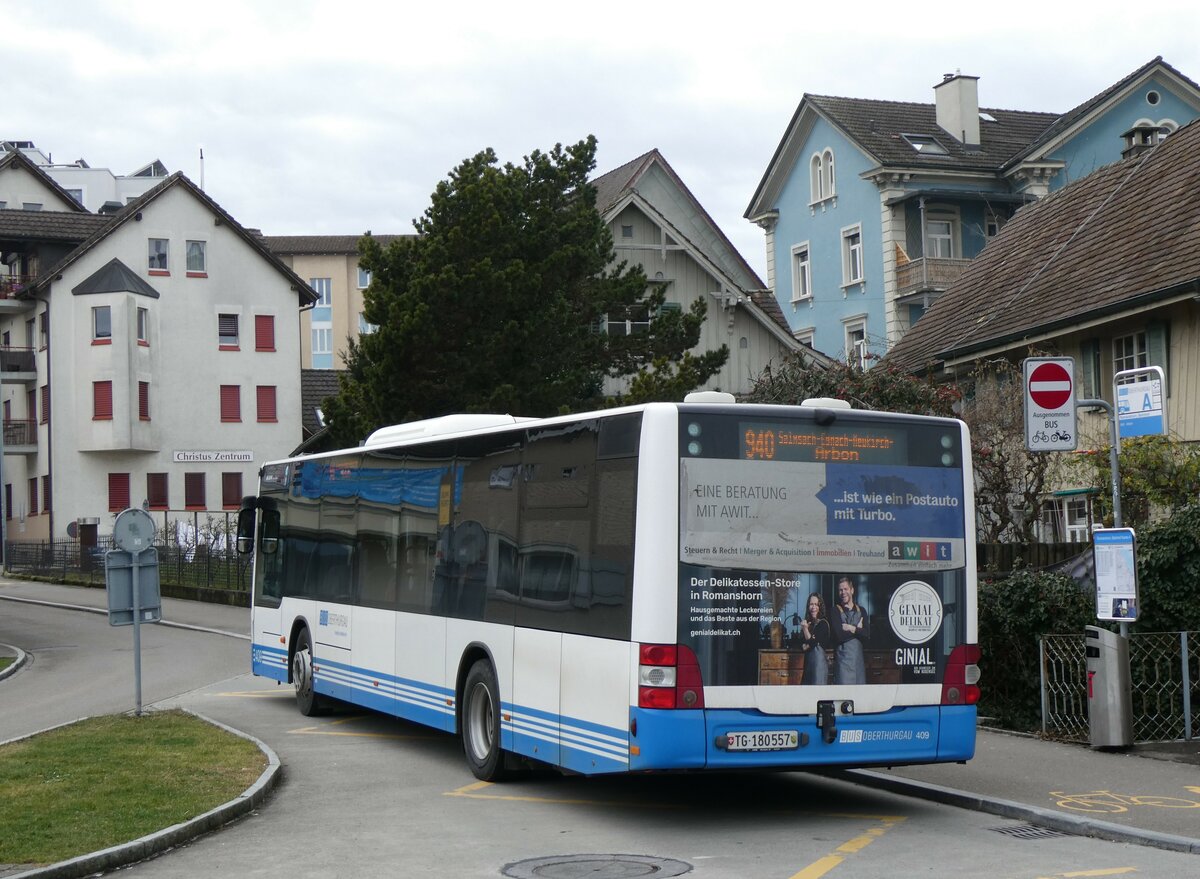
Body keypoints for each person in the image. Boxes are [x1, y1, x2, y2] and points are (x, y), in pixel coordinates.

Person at [833, 576, 868, 685]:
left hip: (858, 664)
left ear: (852, 590)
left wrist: (850, 628)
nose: (843, 592)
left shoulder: (862, 610)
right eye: (840, 590)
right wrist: (858, 630)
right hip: (843, 664)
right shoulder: (835, 610)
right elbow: (839, 636)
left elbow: (867, 634)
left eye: (846, 589)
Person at [798, 592, 831, 685]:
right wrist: (807, 643)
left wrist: (805, 629)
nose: (813, 607)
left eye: (816, 604)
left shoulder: (823, 624)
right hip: (808, 666)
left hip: (819, 668)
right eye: (811, 604)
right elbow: (802, 644)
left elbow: (812, 643)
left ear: (820, 606)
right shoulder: (810, 623)